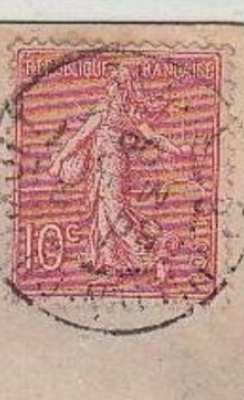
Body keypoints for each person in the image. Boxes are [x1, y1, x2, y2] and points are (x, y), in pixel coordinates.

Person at [48, 62, 187, 280]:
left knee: (113, 213)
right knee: (105, 213)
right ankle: (112, 263)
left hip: (111, 170)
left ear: (121, 86)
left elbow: (80, 138)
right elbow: (153, 138)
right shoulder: (130, 112)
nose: (108, 87)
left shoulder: (107, 111)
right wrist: (175, 149)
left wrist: (59, 159)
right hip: (110, 169)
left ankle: (152, 253)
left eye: (113, 83)